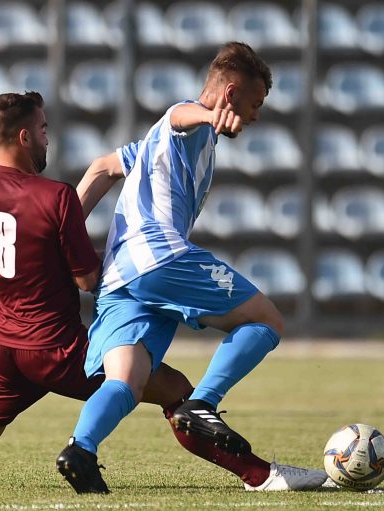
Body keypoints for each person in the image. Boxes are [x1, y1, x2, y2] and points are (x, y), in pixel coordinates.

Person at [0, 80, 322, 494]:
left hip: (5, 348)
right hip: (59, 348)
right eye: (43, 129)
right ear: (25, 138)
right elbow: (87, 279)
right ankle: (260, 474)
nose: (48, 138)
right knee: (179, 393)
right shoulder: (55, 198)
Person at [56, 42, 327, 492]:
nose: (256, 116)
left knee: (127, 379)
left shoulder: (155, 145)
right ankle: (204, 404)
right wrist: (207, 116)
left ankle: (80, 449)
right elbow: (180, 114)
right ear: (231, 93)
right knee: (267, 320)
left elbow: (102, 167)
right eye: (255, 103)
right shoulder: (187, 123)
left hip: (120, 279)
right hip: (160, 256)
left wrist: (63, 240)